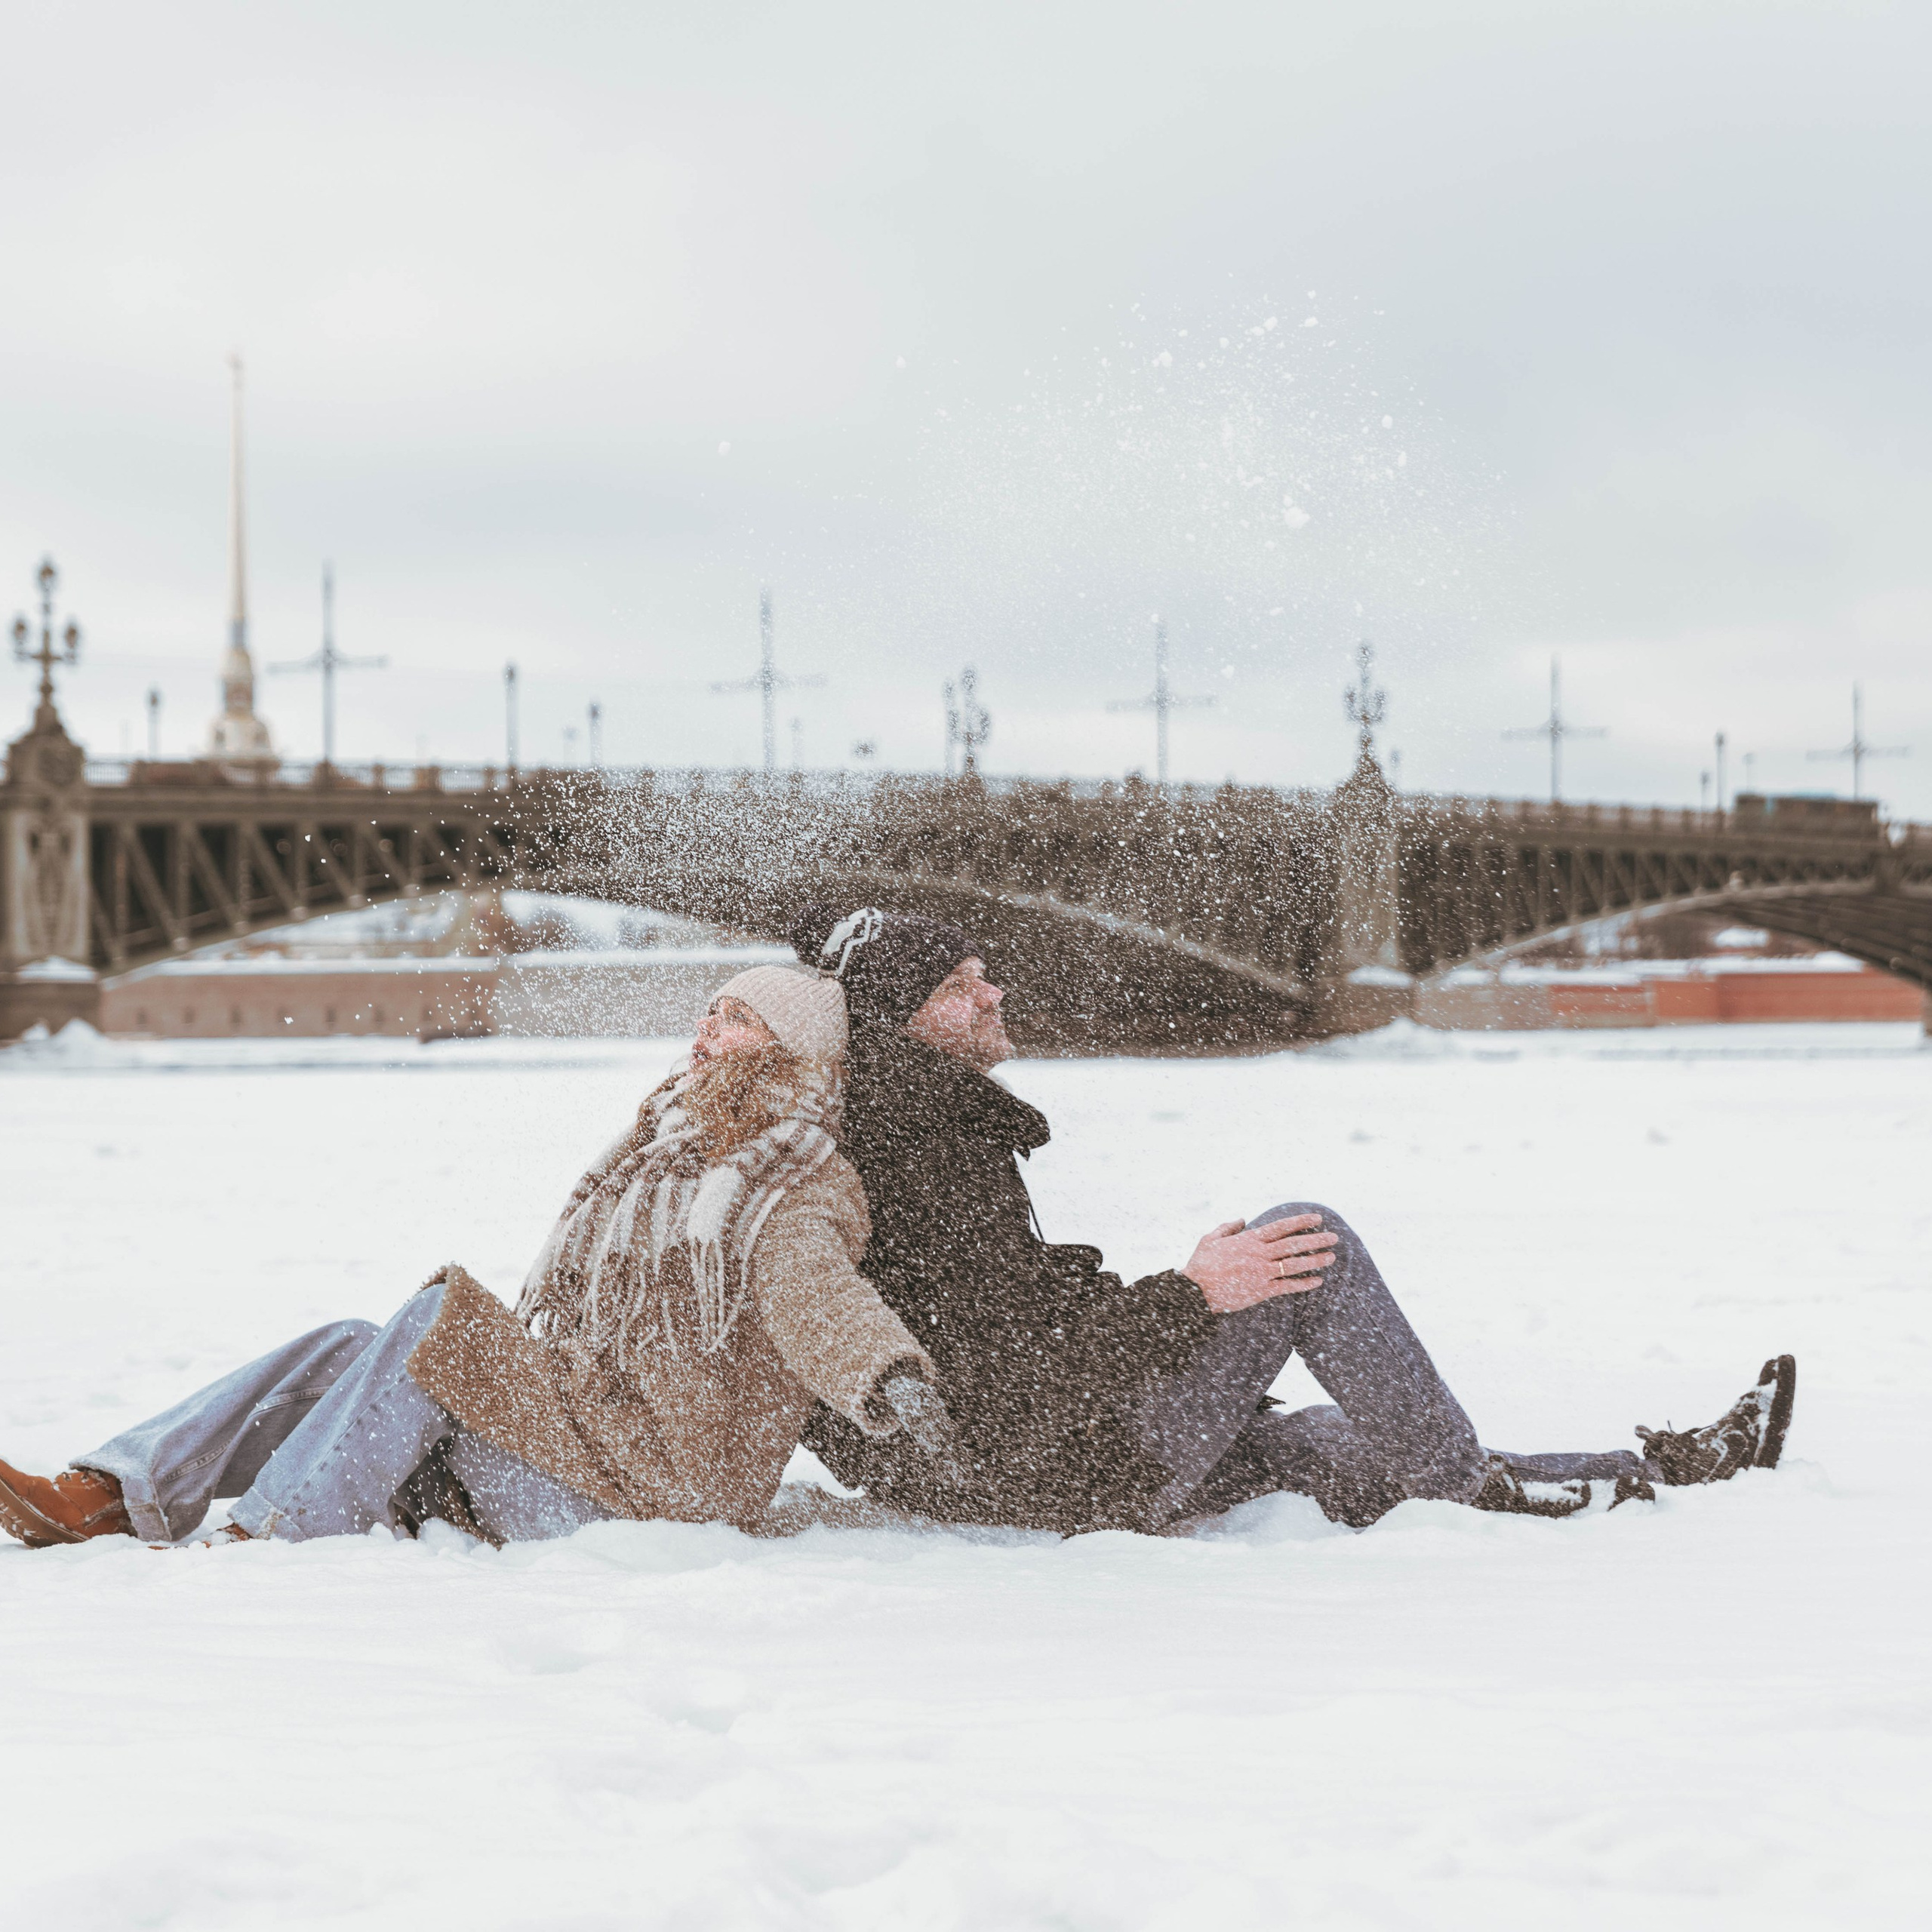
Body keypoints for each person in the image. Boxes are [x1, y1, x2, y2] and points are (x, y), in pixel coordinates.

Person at [791, 904, 1798, 1534]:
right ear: (902, 1019)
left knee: (1355, 1445)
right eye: (960, 987)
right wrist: (1193, 1295)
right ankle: (1474, 1502)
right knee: (1304, 1243)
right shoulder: (923, 1153)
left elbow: (996, 1325)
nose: (993, 991)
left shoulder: (900, 1129)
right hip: (1070, 1474)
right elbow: (1018, 1364)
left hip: (1043, 1462)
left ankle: (1658, 1472)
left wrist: (1169, 1298)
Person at [0, 966, 968, 1551]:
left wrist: (885, 1375)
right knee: (355, 1341)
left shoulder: (794, 1180)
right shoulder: (664, 1156)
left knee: (438, 1323)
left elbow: (812, 1289)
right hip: (581, 1444)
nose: (702, 1033)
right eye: (708, 1013)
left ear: (786, 1051)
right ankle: (110, 1493)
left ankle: (276, 1536)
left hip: (648, 1500)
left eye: (733, 1020)